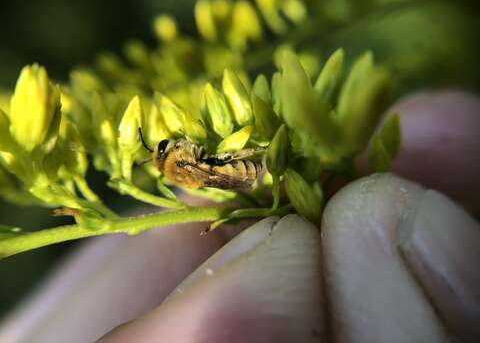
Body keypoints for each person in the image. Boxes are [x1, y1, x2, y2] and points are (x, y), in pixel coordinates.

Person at [1, 91, 479, 343]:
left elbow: (207, 163)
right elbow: (214, 164)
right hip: (246, 177)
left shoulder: (184, 166)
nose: (170, 147)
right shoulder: (188, 166)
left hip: (246, 177)